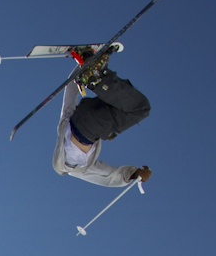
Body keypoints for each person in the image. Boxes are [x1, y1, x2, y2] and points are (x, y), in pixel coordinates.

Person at [54, 52, 151, 188]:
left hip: (92, 128)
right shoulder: (64, 126)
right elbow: (70, 92)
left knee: (141, 108)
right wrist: (81, 64)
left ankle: (98, 78)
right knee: (122, 101)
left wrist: (133, 175)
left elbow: (108, 176)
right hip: (85, 111)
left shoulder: (77, 169)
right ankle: (96, 74)